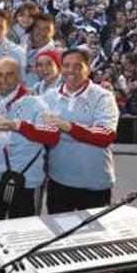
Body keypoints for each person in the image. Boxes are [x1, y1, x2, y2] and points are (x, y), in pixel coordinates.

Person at [0, 58, 60, 222]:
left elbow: (53, 135)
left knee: (23, 235)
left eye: (9, 75)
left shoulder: (36, 103)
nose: (3, 80)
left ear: (19, 77)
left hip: (26, 183)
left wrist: (16, 125)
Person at [42, 49, 119, 212]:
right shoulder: (49, 96)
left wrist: (68, 126)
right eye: (66, 66)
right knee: (59, 235)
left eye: (77, 66)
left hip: (94, 184)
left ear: (88, 69)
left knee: (93, 237)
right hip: (58, 181)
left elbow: (106, 136)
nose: (71, 71)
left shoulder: (103, 97)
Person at [23, 13, 57, 87]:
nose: (41, 32)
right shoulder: (22, 40)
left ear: (53, 32)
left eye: (47, 29)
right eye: (38, 27)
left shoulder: (54, 54)